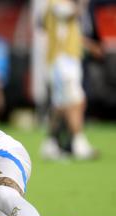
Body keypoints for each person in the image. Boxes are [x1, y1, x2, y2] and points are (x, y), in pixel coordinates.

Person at [40, 0, 96, 160]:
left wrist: (90, 46)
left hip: (65, 60)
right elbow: (71, 12)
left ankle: (50, 144)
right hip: (63, 62)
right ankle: (79, 144)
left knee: (61, 105)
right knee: (76, 101)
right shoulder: (57, 3)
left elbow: (66, 31)